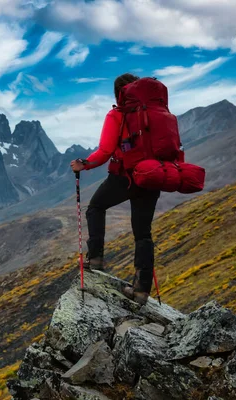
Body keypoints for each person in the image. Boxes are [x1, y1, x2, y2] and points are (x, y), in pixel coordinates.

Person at [70, 73, 160, 305]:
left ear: (118, 94)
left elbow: (106, 150)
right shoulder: (157, 113)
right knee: (143, 233)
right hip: (152, 177)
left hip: (124, 176)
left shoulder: (117, 114)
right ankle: (141, 290)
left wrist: (84, 164)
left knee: (96, 207)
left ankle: (96, 259)